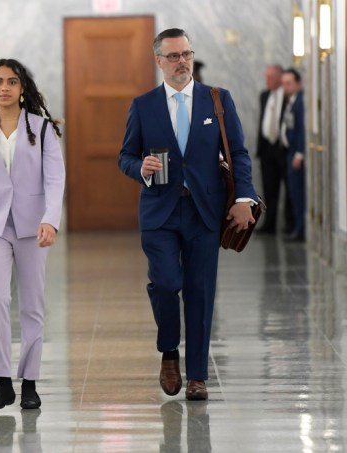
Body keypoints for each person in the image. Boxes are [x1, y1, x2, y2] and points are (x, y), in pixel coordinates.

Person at [118, 28, 257, 401]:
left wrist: (244, 197)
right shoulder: (144, 105)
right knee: (165, 283)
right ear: (159, 61)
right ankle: (168, 351)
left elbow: (239, 153)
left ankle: (197, 376)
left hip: (205, 212)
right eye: (174, 56)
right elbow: (124, 156)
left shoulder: (217, 100)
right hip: (159, 211)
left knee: (199, 292)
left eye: (187, 54)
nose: (182, 61)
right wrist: (140, 167)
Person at [0, 58, 66, 410]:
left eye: (11, 82)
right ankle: (3, 380)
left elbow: (55, 179)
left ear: (22, 89)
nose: (4, 88)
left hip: (32, 225)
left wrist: (51, 220)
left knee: (33, 304)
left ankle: (30, 382)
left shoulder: (42, 128)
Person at [257, 64, 293, 235]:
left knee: (289, 189)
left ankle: (289, 225)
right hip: (267, 149)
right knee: (269, 189)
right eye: (266, 77)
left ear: (280, 77)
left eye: (271, 77)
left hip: (282, 148)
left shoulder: (287, 94)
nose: (267, 81)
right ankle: (269, 224)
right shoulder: (264, 95)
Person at [280, 68, 305, 242]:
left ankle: (300, 228)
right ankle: (297, 226)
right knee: (292, 192)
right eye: (284, 84)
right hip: (288, 152)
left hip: (296, 153)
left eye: (289, 83)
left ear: (298, 83)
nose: (286, 87)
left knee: (297, 192)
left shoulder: (300, 102)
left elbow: (302, 129)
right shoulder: (290, 101)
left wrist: (300, 153)